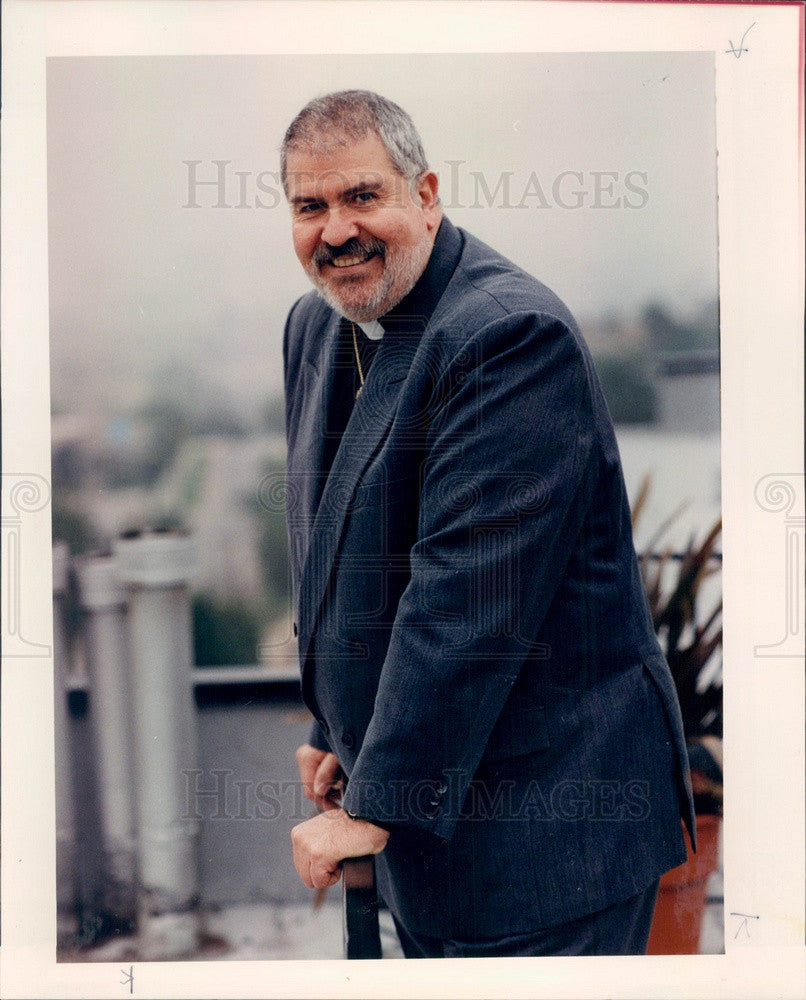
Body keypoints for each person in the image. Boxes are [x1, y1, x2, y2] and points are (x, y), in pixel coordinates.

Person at [280, 90, 694, 957]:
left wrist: (375, 800)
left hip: (550, 839)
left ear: (425, 195)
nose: (336, 230)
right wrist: (338, 728)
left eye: (363, 197)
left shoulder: (509, 337)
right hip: (431, 835)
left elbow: (465, 605)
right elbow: (339, 557)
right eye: (309, 206)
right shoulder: (315, 326)